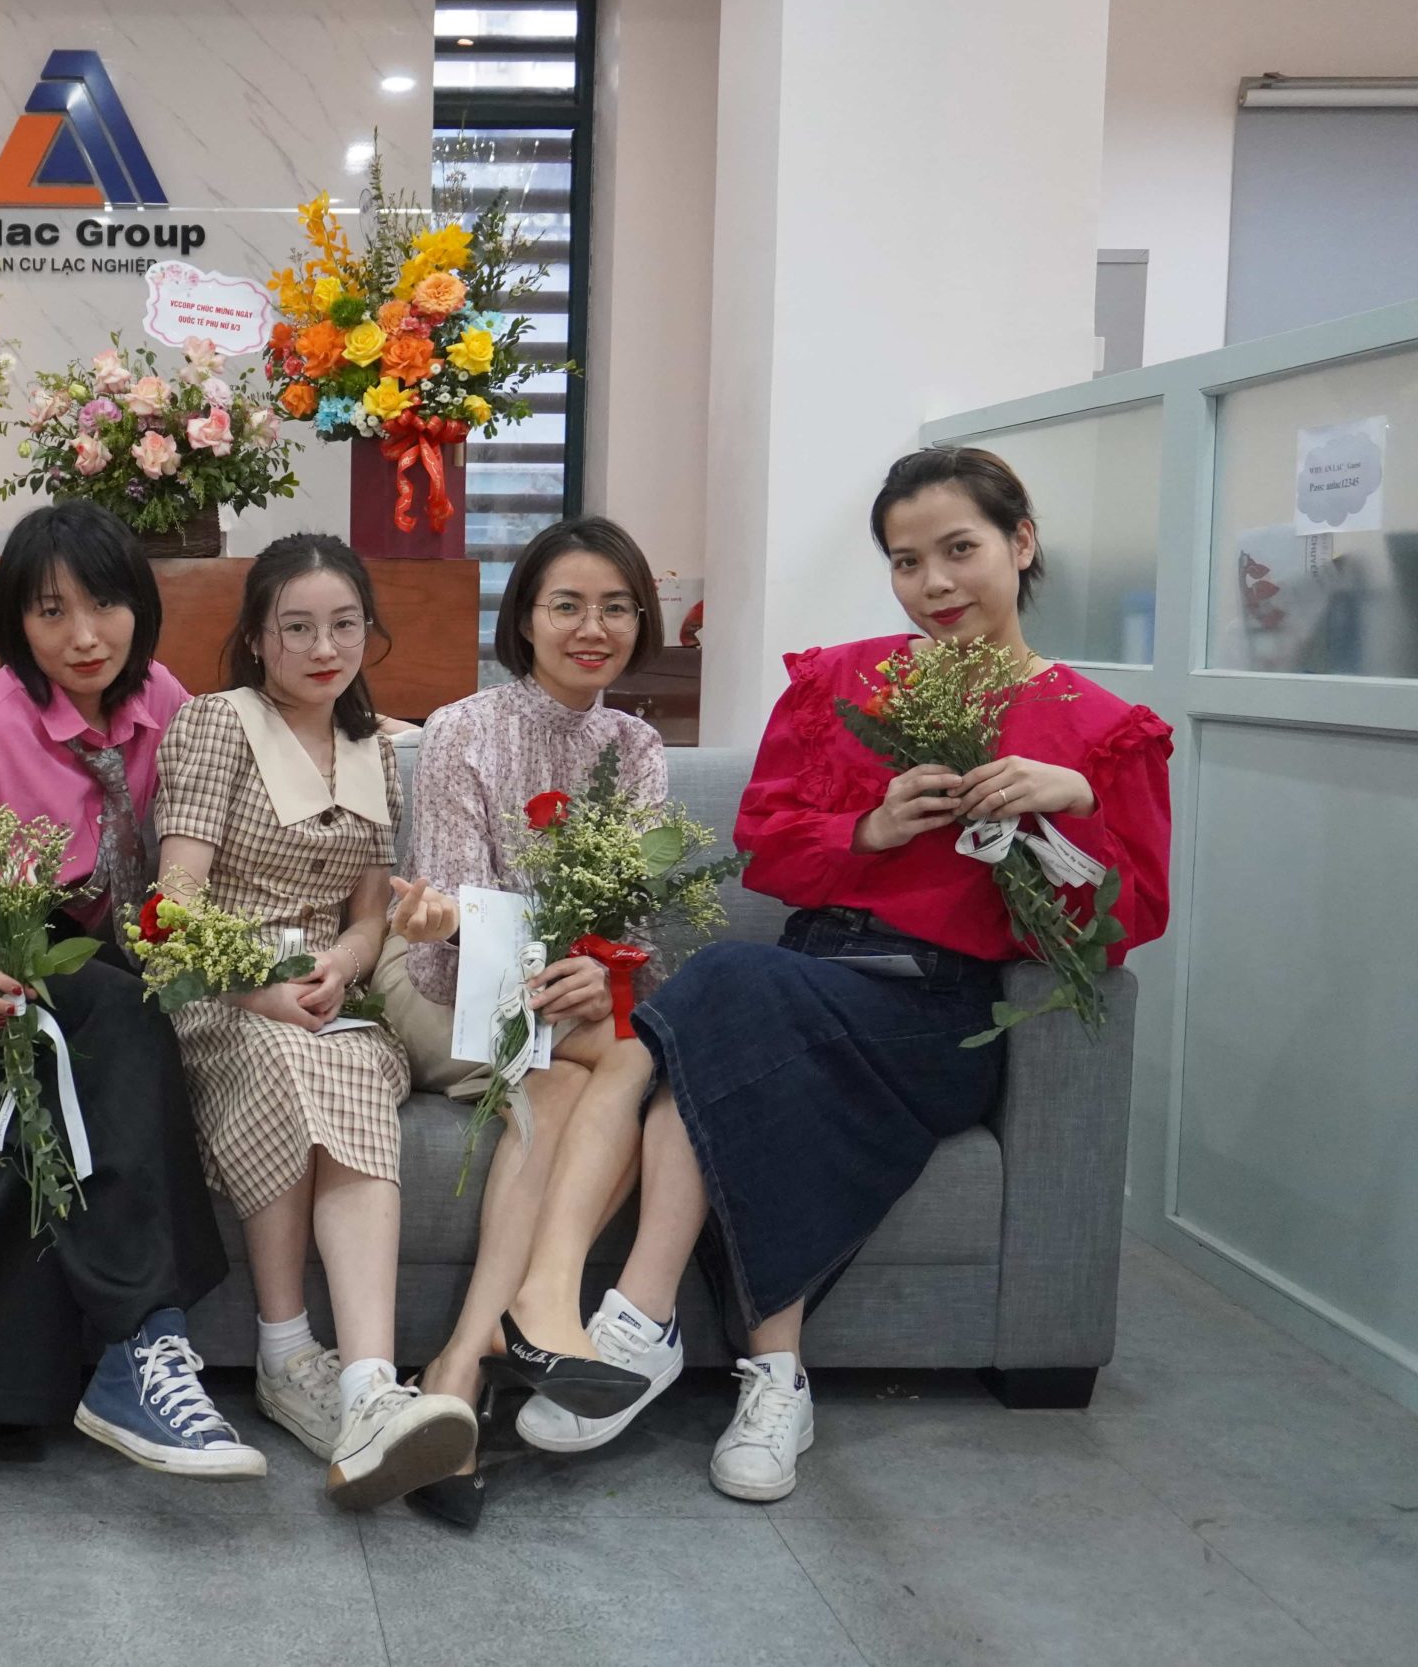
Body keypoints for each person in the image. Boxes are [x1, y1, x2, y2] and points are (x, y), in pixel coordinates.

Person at [498, 447, 1173, 1504]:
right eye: (906, 562)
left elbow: (1127, 924)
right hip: (811, 976)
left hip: (939, 1012)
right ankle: (774, 1379)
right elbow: (767, 848)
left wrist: (1074, 802)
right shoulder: (845, 684)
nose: (934, 583)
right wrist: (868, 828)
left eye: (959, 550)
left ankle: (639, 1321)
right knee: (735, 1015)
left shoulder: (1098, 731)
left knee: (723, 991)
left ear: (1021, 543)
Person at [0, 501, 257, 1479]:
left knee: (126, 1016)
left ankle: (133, 1353)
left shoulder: (158, 696)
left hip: (83, 956)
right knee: (116, 1012)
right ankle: (143, 1342)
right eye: (51, 612)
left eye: (105, 603)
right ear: (16, 623)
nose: (84, 636)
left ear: (140, 607)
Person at [150, 534, 477, 1508]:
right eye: (296, 627)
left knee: (350, 1062)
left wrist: (344, 963)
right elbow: (173, 906)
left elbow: (371, 914)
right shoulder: (216, 725)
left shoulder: (375, 749)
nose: (323, 647)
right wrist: (258, 989)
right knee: (287, 1056)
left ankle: (368, 1384)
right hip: (220, 993)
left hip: (329, 997)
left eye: (343, 625)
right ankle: (287, 1350)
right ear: (257, 636)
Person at [377, 517, 675, 1528]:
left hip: (567, 1012)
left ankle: (461, 1362)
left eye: (615, 607)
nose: (593, 627)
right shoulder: (462, 728)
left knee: (579, 1065)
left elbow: (634, 923)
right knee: (627, 1052)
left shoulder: (637, 747)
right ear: (526, 618)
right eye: (567, 605)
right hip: (448, 984)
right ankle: (540, 1305)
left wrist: (603, 968)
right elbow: (452, 919)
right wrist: (571, 971)